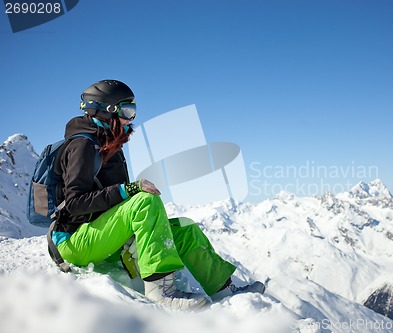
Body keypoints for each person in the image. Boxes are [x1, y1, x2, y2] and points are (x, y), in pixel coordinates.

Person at [51, 79, 265, 310]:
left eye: (132, 110)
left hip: (101, 234)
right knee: (145, 201)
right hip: (74, 242)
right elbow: (73, 203)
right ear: (106, 111)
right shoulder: (83, 146)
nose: (131, 118)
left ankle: (225, 290)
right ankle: (161, 290)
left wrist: (126, 199)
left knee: (184, 228)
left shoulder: (107, 144)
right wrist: (128, 190)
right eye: (126, 110)